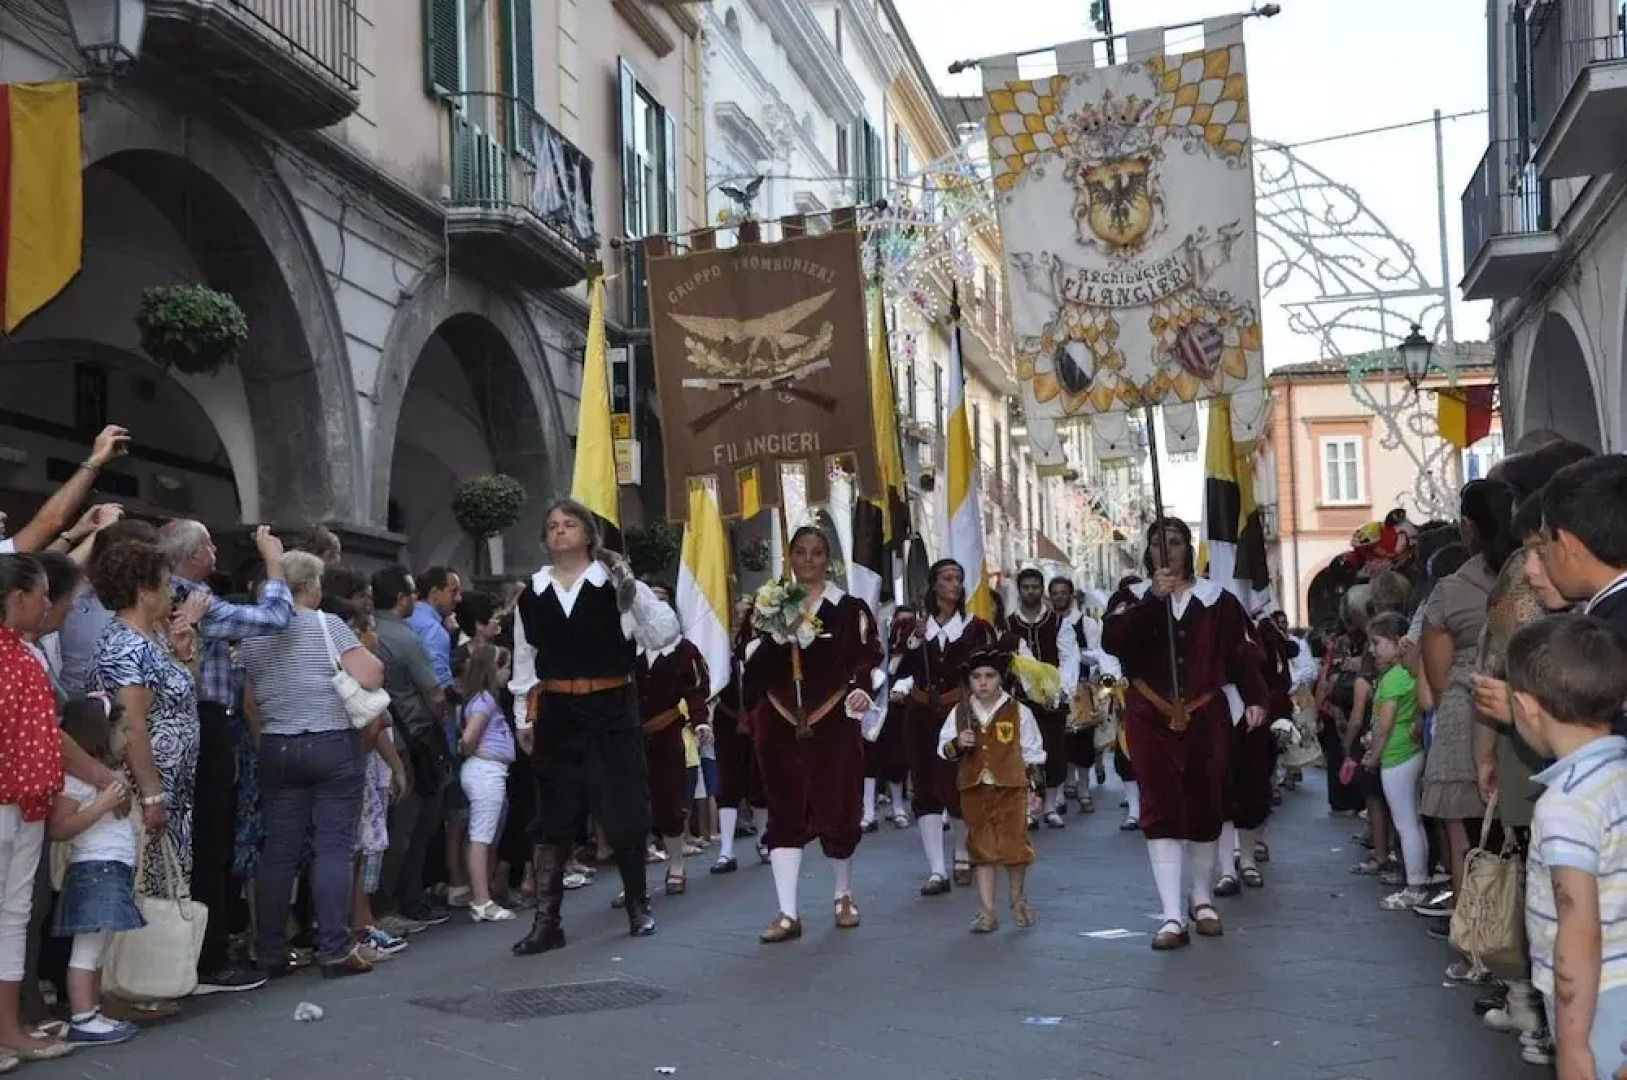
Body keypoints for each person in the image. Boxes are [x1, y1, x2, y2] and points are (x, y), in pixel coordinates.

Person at [508, 500, 681, 955]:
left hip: (611, 705)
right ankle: (547, 922)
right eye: (552, 526)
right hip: (557, 709)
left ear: (588, 533)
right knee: (553, 815)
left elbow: (664, 633)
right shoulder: (532, 592)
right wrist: (524, 716)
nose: (560, 532)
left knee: (623, 805)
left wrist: (632, 589)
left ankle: (638, 905)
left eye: (569, 524)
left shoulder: (615, 583)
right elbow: (525, 659)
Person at [1101, 519, 1268, 951]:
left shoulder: (1218, 601)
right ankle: (1171, 914)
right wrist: (1153, 600)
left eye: (1174, 542)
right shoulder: (1130, 598)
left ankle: (1202, 897)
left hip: (1204, 714)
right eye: (1157, 543)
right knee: (1159, 807)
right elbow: (1114, 641)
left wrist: (1255, 697)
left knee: (1206, 804)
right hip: (1149, 714)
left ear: (1188, 549)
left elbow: (1244, 655)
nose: (1165, 550)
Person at [159, 520, 291, 995]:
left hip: (181, 723)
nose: (216, 550)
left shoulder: (159, 595)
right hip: (204, 719)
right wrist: (274, 561)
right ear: (193, 555)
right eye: (210, 543)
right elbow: (275, 618)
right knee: (208, 842)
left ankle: (189, 954)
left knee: (186, 843)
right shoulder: (195, 601)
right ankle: (209, 957)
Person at [239, 550, 384, 979]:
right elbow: (371, 676)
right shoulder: (327, 624)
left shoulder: (254, 633)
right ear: (308, 585)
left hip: (279, 745)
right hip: (331, 741)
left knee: (278, 854)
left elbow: (249, 700)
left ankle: (270, 949)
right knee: (333, 848)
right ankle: (335, 948)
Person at [741, 524, 880, 944]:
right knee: (784, 808)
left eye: (816, 552)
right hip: (780, 719)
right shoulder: (769, 605)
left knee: (837, 805)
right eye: (799, 551)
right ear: (789, 555)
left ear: (827, 558)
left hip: (831, 718)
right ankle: (787, 911)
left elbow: (868, 657)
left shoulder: (849, 607)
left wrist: (859, 691)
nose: (807, 560)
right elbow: (749, 663)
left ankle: (842, 895)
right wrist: (777, 635)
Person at [1505, 614, 1627, 1080]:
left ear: (1525, 706)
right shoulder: (1616, 775)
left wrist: (1573, 1045)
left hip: (1598, 1004)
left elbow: (1578, 923)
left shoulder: (1566, 804)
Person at [1420, 480, 1514, 933]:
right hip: (1527, 705)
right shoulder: (1537, 574)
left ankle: (1475, 938)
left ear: (1468, 527)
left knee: (1464, 836)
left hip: (1465, 703)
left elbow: (1436, 675)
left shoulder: (1451, 589)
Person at [0, 556, 71, 1064]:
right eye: (43, 594)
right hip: (8, 802)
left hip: (28, 804)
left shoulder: (26, 654)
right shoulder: (16, 657)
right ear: (19, 598)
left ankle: (10, 1027)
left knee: (14, 914)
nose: (49, 603)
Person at [892, 559, 999, 895]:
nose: (953, 584)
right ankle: (936, 869)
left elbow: (991, 671)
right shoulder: (913, 627)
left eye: (958, 578)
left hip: (958, 713)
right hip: (921, 713)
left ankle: (962, 851)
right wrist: (912, 645)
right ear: (934, 584)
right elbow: (895, 667)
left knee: (958, 784)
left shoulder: (975, 627)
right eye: (947, 578)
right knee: (924, 786)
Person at [48, 697, 140, 1046]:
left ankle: (93, 1009)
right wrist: (102, 804)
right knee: (87, 947)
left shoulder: (105, 776)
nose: (127, 738)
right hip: (94, 867)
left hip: (112, 866)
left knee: (100, 943)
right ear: (101, 733)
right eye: (121, 731)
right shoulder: (76, 783)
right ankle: (83, 1015)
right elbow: (60, 827)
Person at [938, 646, 1045, 933]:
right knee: (980, 848)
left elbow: (1032, 752)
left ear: (1001, 679)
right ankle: (987, 911)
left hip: (1011, 788)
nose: (983, 682)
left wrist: (1036, 788)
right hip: (974, 788)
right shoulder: (960, 712)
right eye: (976, 677)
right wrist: (959, 743)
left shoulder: (1017, 711)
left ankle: (1017, 897)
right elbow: (944, 749)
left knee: (1014, 847)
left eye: (989, 676)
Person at [369, 566, 452, 934]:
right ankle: (399, 900)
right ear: (402, 599)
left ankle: (390, 900)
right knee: (412, 825)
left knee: (393, 826)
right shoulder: (405, 637)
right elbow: (434, 692)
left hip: (384, 735)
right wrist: (440, 720)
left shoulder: (369, 634)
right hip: (411, 738)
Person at [635, 616, 710, 896]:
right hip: (628, 736)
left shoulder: (684, 651)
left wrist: (701, 721)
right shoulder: (628, 646)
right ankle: (633, 879)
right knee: (629, 807)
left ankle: (676, 865)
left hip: (666, 733)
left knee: (669, 799)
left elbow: (697, 691)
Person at [1360, 612, 1429, 910]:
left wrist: (1373, 756)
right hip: (1409, 752)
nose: (1373, 650)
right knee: (1413, 821)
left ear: (1395, 641)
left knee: (1405, 823)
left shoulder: (1393, 679)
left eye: (1377, 643)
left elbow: (1384, 724)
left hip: (1396, 755)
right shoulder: (1408, 675)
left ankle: (1415, 886)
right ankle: (1419, 879)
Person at [1003, 569, 1079, 829]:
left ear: (1042, 589)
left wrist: (1059, 692)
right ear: (1019, 589)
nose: (1031, 591)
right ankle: (1029, 807)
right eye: (1026, 587)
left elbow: (1069, 658)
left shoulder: (1059, 623)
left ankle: (1050, 807)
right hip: (1021, 699)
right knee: (1023, 753)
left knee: (1054, 750)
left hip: (1052, 700)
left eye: (1035, 587)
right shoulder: (1009, 623)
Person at [458, 643, 516, 923]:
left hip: (491, 770)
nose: (507, 673)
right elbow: (469, 739)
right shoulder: (485, 701)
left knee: (486, 834)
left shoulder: (482, 699)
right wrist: (477, 750)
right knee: (481, 835)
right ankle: (481, 899)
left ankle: (482, 892)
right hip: (486, 770)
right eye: (504, 667)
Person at [710, 605, 765, 874]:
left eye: (746, 613)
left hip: (759, 717)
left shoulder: (763, 644)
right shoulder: (715, 643)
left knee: (759, 781)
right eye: (737, 612)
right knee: (728, 782)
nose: (741, 617)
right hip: (727, 717)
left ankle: (764, 840)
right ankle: (726, 850)